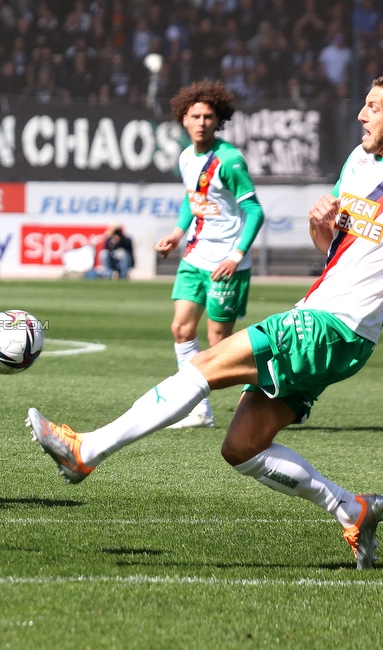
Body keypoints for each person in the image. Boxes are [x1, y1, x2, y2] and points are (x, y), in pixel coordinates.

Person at [27, 68, 383, 570]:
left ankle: (86, 449)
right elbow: (335, 255)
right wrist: (318, 226)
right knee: (242, 448)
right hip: (325, 319)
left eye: (374, 106)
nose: (361, 113)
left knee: (204, 365)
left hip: (336, 325)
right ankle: (351, 508)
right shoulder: (357, 162)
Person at [155, 80, 265, 429]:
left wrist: (236, 255)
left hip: (226, 264)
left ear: (218, 121)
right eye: (195, 115)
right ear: (183, 119)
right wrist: (177, 232)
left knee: (219, 346)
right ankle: (198, 411)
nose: (201, 122)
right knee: (181, 328)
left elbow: (256, 212)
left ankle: (278, 384)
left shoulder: (229, 161)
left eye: (208, 116)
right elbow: (193, 200)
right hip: (195, 256)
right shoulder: (187, 157)